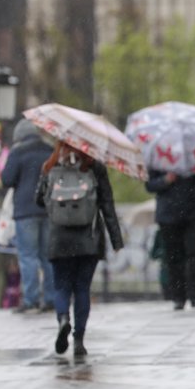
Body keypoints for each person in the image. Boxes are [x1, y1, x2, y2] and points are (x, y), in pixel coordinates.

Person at [35, 141, 124, 357]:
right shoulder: (93, 167)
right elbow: (107, 204)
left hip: (59, 238)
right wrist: (116, 239)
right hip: (88, 238)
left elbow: (38, 200)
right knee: (82, 288)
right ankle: (79, 340)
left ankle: (63, 318)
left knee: (62, 286)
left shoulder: (51, 165)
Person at [2, 118, 56, 313]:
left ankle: (31, 299)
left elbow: (6, 179)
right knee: (47, 257)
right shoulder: (49, 150)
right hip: (48, 209)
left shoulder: (17, 152)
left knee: (27, 256)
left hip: (25, 211)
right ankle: (50, 299)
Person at [144, 169, 195, 310]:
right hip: (168, 215)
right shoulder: (158, 156)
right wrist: (166, 179)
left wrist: (194, 168)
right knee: (173, 256)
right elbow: (150, 185)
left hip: (194, 212)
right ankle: (178, 297)